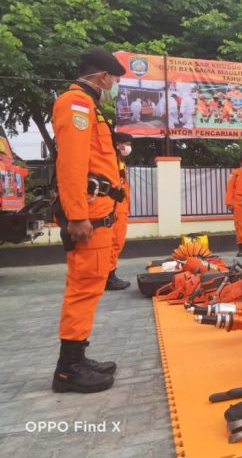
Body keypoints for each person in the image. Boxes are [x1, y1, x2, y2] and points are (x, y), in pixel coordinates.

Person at [51, 48, 126, 393]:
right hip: (88, 215)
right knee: (83, 287)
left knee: (91, 283)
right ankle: (69, 368)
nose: (114, 85)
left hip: (98, 212)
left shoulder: (89, 106)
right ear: (101, 77)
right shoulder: (76, 104)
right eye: (114, 79)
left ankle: (77, 356)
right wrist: (77, 215)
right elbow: (72, 163)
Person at [107, 132, 133, 291]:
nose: (129, 147)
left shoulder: (119, 161)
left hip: (120, 208)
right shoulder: (112, 161)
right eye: (127, 143)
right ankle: (109, 277)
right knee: (114, 242)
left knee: (117, 242)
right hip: (116, 209)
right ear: (118, 144)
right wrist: (114, 208)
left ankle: (110, 274)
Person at [225, 160, 242, 257]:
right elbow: (230, 188)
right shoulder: (235, 174)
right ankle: (241, 248)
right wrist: (229, 203)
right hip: (238, 203)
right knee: (239, 226)